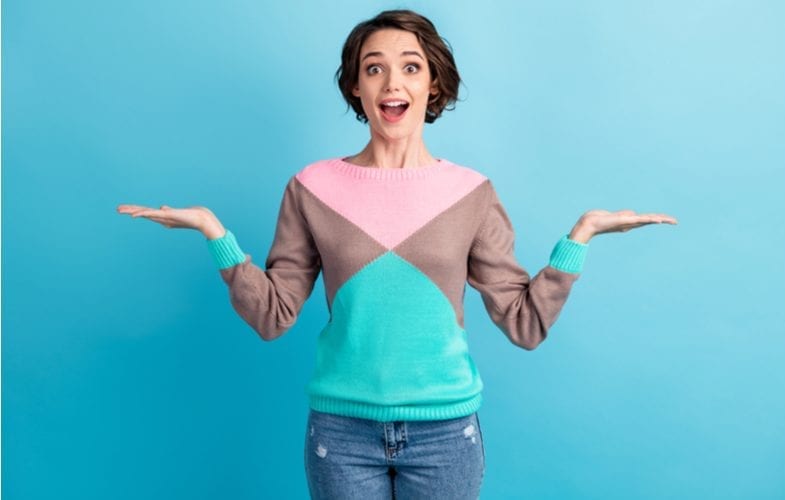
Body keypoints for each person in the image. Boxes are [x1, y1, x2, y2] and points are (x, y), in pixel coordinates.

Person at [117, 9, 677, 500]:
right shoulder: (311, 188)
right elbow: (273, 316)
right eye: (373, 66)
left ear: (433, 85)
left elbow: (524, 323)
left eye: (410, 66)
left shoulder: (471, 193)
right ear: (356, 88)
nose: (392, 80)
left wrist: (579, 237)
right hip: (340, 432)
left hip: (446, 435)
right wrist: (215, 233)